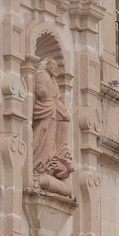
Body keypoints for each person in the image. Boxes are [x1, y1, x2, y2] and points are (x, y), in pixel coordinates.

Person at [32, 58, 74, 194]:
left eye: (57, 66)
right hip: (45, 111)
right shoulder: (42, 76)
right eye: (54, 66)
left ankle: (51, 160)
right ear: (47, 66)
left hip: (52, 112)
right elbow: (40, 91)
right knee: (42, 134)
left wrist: (64, 113)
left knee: (51, 138)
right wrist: (47, 97)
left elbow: (57, 100)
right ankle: (39, 162)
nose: (56, 68)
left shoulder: (54, 82)